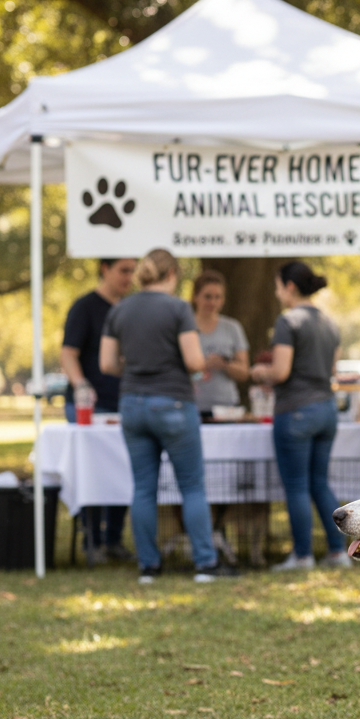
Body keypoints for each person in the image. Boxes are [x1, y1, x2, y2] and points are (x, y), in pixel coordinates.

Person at [100, 249, 239, 584]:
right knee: (191, 486)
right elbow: (194, 361)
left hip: (132, 403)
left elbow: (107, 364)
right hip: (174, 403)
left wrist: (137, 367)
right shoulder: (178, 308)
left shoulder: (120, 309)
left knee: (143, 489)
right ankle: (205, 563)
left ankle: (148, 566)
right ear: (172, 274)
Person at [249, 261, 352, 570]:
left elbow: (280, 371)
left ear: (289, 287)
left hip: (295, 410)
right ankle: (337, 552)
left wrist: (259, 372)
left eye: (278, 286)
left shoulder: (288, 320)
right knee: (320, 482)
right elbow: (331, 369)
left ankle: (302, 555)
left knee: (296, 485)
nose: (277, 293)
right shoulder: (329, 322)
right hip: (326, 409)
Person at [60, 257, 136, 562]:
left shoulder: (128, 308)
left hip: (122, 402)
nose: (129, 277)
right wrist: (81, 385)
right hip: (89, 406)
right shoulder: (85, 307)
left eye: (133, 271)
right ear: (105, 269)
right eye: (123, 270)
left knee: (122, 468)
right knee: (91, 470)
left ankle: (113, 539)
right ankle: (90, 539)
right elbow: (68, 353)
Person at [191, 269, 250, 420]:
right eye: (207, 297)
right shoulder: (185, 327)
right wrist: (200, 365)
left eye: (218, 297)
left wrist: (224, 364)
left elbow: (244, 372)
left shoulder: (232, 327)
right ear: (195, 296)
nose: (213, 302)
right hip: (191, 405)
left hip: (226, 407)